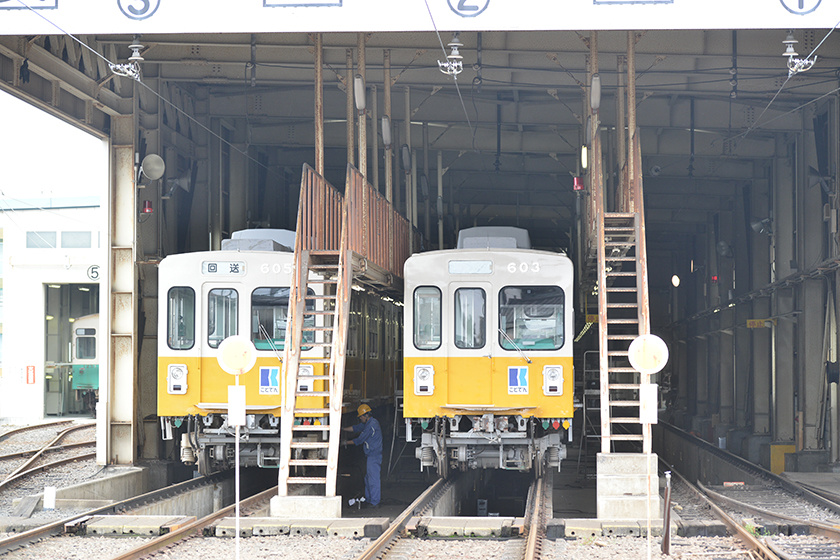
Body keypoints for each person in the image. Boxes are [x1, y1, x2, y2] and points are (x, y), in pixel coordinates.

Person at [343, 404, 382, 508]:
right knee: (368, 478)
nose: (360, 418)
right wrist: (342, 428)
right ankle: (369, 500)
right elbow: (356, 428)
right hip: (371, 456)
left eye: (360, 417)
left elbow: (359, 440)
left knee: (373, 479)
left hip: (374, 456)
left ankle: (374, 503)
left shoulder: (371, 425)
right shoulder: (368, 423)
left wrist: (345, 443)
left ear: (365, 415)